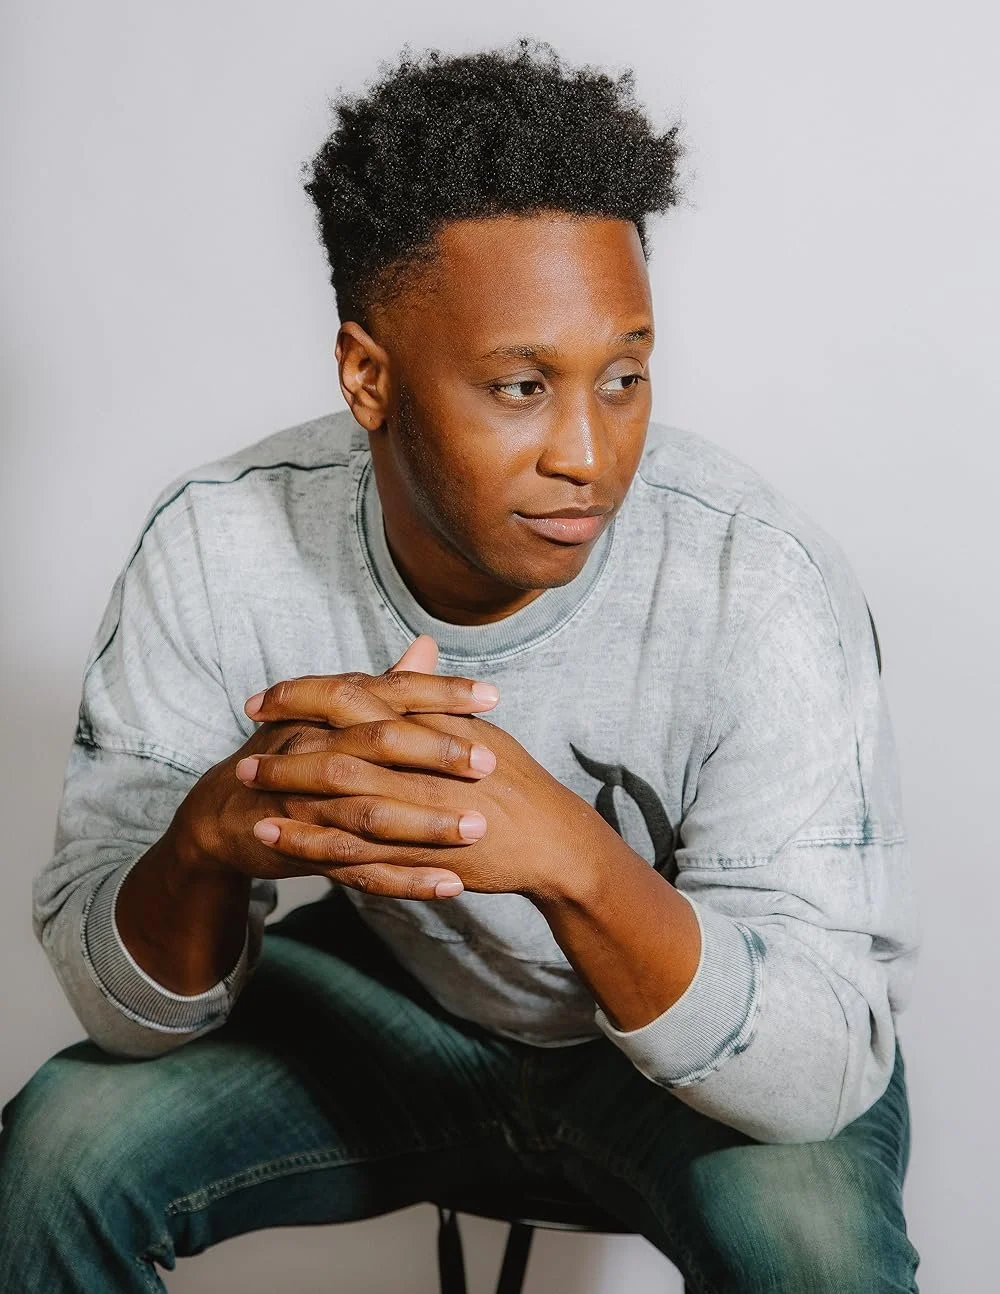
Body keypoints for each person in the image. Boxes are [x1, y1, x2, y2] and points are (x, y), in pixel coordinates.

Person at [0, 39, 921, 1292]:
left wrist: (573, 859)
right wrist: (209, 838)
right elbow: (124, 1017)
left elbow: (819, 1063)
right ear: (367, 375)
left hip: (696, 1058)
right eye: (521, 385)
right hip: (397, 1015)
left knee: (814, 1245)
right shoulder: (220, 547)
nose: (588, 454)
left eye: (624, 376)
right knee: (58, 1151)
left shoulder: (755, 580)